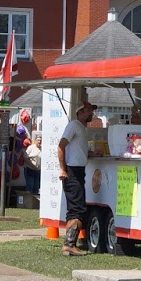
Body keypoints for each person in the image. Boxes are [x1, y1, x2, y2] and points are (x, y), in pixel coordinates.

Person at [56, 101, 97, 255]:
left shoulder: (81, 128)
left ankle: (71, 243)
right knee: (77, 209)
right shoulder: (74, 125)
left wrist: (90, 154)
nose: (91, 114)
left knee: (76, 208)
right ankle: (69, 244)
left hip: (78, 170)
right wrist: (62, 169)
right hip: (72, 171)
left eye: (91, 111)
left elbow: (76, 150)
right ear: (80, 112)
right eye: (88, 111)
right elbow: (61, 145)